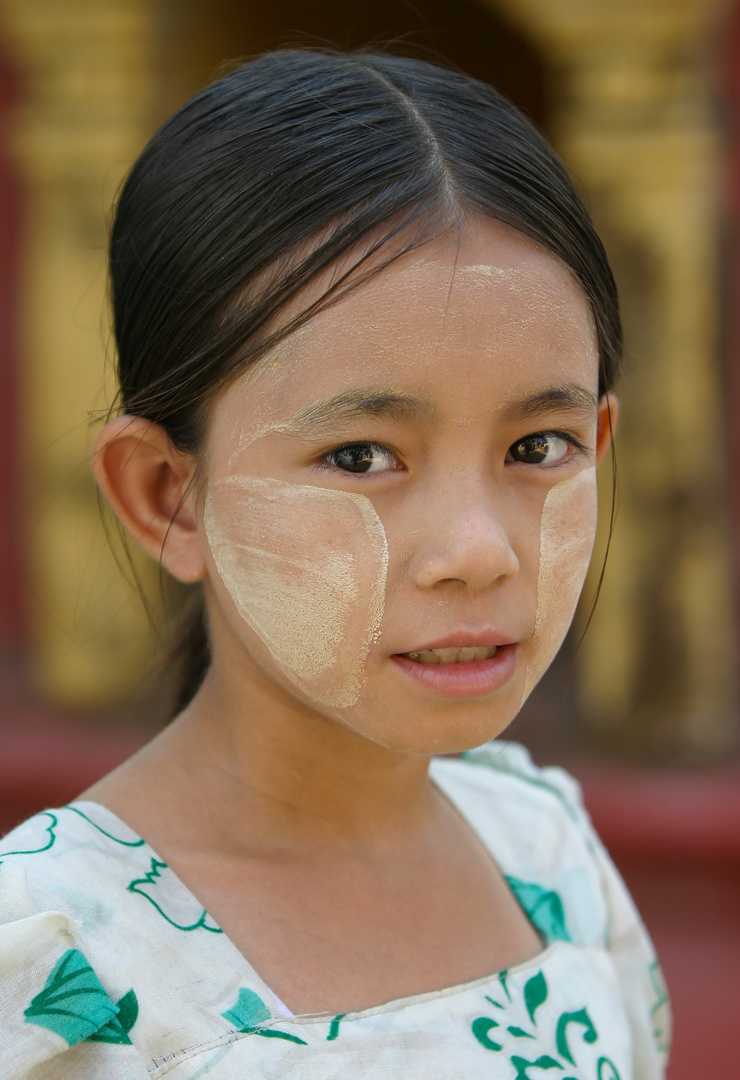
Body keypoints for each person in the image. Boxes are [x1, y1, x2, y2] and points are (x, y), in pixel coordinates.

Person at [0, 49, 670, 1079]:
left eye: (536, 448)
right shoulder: (58, 965)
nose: (476, 551)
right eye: (361, 457)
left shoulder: (543, 854)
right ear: (167, 495)